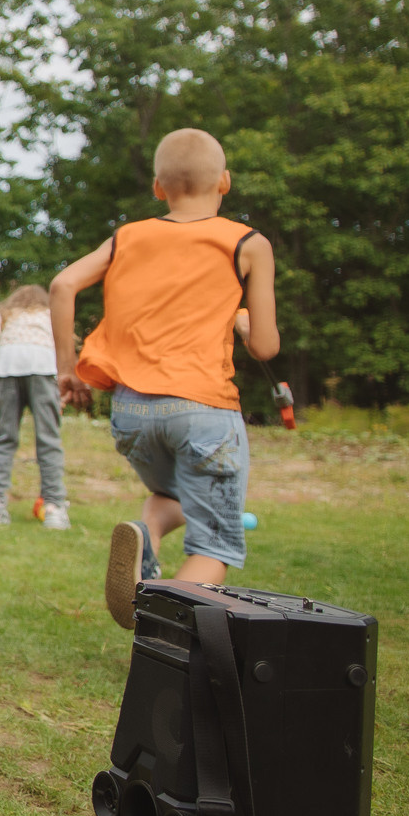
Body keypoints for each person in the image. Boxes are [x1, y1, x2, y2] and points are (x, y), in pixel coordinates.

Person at [49, 128, 279, 628]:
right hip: (203, 409)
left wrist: (68, 371)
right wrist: (241, 321)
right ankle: (163, 622)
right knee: (214, 544)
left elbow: (63, 284)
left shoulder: (127, 237)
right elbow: (265, 346)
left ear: (158, 188)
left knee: (171, 497)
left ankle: (145, 532)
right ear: (225, 181)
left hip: (132, 411)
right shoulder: (247, 243)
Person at [0, 284, 67, 527]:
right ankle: (54, 507)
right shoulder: (49, 314)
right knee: (49, 439)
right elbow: (63, 341)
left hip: (7, 367)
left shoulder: (6, 315)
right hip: (43, 367)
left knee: (5, 437)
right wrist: (64, 383)